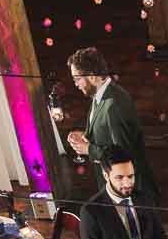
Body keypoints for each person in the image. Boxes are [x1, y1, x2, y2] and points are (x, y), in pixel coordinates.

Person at [65, 47, 159, 208]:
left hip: (128, 193)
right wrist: (86, 135)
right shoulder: (101, 97)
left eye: (77, 79)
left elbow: (123, 153)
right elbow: (106, 131)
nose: (75, 84)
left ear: (92, 76)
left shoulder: (114, 104)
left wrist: (89, 150)